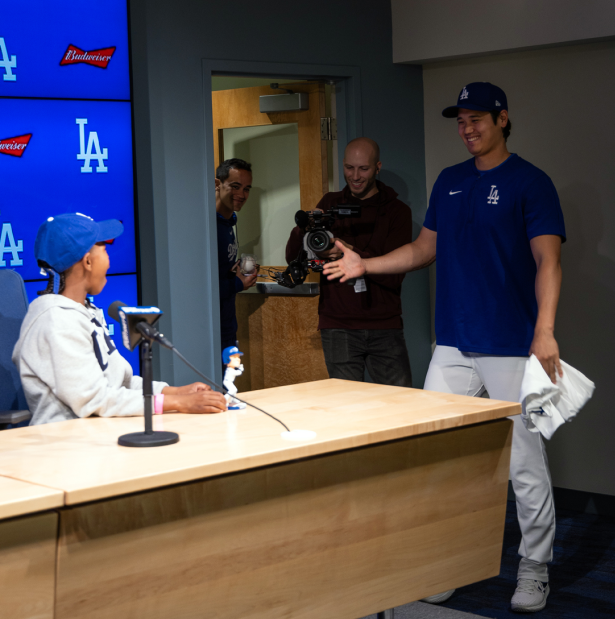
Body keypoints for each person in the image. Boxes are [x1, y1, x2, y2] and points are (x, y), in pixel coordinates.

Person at [323, 82, 564, 614]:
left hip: (509, 343)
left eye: (477, 118)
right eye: (461, 120)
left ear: (503, 119)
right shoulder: (450, 181)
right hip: (452, 343)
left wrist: (544, 330)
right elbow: (423, 249)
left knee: (523, 459)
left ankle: (534, 566)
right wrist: (365, 263)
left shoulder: (531, 182)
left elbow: (549, 261)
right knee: (437, 455)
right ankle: (447, 559)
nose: (468, 128)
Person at [14, 212, 227, 425]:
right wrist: (177, 403)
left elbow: (117, 383)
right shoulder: (56, 322)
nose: (109, 260)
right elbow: (94, 400)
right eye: (104, 250)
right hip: (66, 446)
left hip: (98, 434)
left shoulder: (84, 311)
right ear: (87, 261)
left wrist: (176, 392)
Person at [286, 137, 414, 386]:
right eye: (349, 168)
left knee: (399, 404)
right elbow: (293, 258)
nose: (355, 176)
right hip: (338, 324)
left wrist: (349, 252)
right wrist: (303, 229)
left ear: (377, 167)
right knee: (348, 406)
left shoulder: (397, 212)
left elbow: (395, 274)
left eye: (363, 168)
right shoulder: (329, 204)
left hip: (384, 325)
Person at [215, 158, 258, 354]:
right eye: (235, 186)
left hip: (228, 327)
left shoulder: (229, 222)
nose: (241, 194)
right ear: (217, 184)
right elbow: (198, 289)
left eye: (246, 189)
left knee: (229, 385)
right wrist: (238, 284)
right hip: (211, 330)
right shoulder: (207, 226)